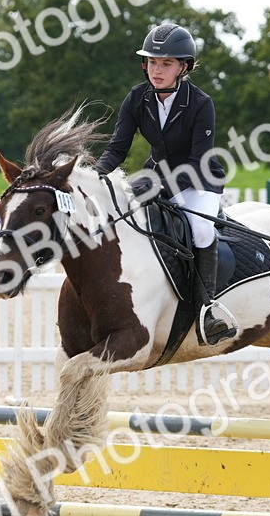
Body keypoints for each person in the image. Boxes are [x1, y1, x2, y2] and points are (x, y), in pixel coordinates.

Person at [96, 22, 235, 346]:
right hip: (155, 175)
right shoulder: (137, 97)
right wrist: (97, 177)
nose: (157, 70)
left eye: (166, 63)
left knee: (200, 229)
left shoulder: (201, 103)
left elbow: (199, 159)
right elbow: (118, 148)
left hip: (198, 180)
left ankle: (207, 310)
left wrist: (158, 188)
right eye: (153, 62)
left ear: (182, 67)